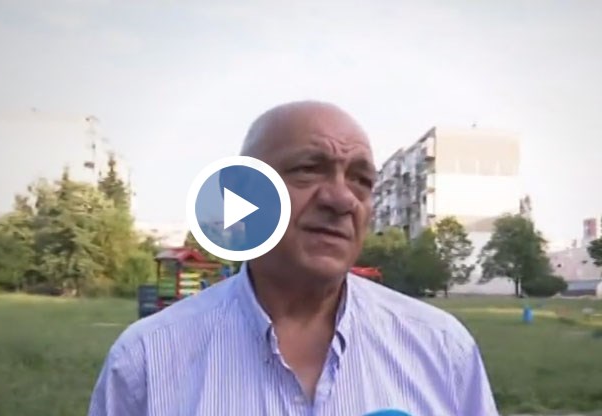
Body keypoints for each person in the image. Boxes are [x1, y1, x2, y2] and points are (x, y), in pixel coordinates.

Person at [87, 101, 499, 416]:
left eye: (361, 180)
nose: (342, 199)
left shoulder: (443, 350)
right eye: (308, 169)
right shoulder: (146, 361)